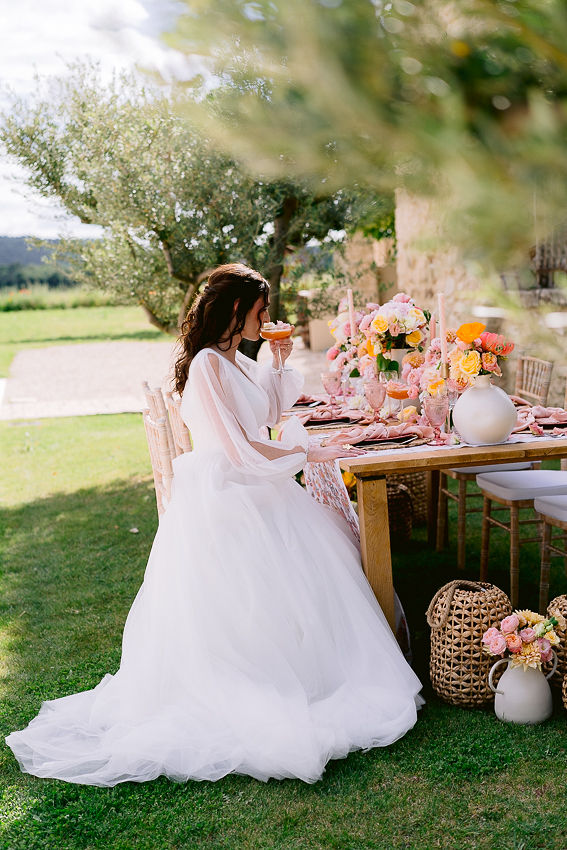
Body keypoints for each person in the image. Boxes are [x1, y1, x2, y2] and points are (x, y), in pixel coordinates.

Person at [6, 263, 422, 786]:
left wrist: (277, 359)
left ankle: (316, 669)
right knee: (284, 566)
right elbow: (242, 449)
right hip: (227, 492)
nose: (267, 318)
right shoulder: (206, 364)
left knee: (321, 550)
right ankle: (277, 685)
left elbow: (266, 411)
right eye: (260, 310)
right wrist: (310, 451)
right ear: (234, 311)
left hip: (252, 482)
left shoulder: (235, 359)